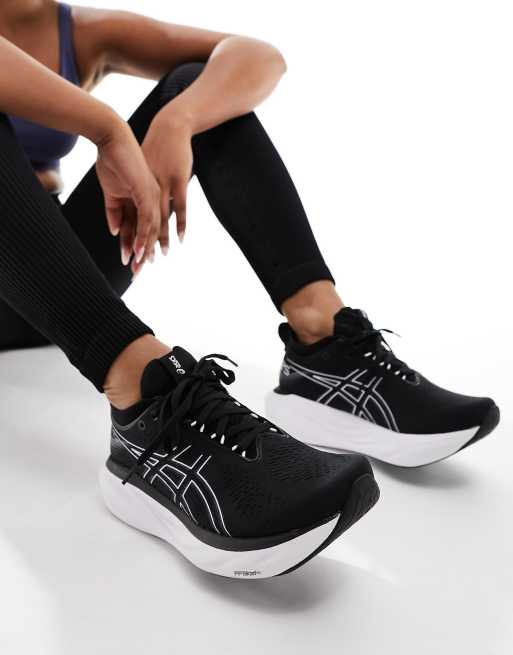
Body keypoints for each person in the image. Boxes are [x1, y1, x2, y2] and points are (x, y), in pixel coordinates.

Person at [0, 1, 497, 578]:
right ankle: (144, 396)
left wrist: (179, 120)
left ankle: (323, 343)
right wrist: (108, 129)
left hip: (53, 288)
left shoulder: (78, 31)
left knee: (200, 86)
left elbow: (256, 56)